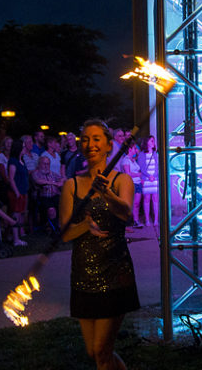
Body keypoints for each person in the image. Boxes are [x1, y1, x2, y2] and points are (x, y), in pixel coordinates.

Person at [59, 119, 139, 370]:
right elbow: (64, 234)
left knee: (102, 351)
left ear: (108, 145)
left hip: (115, 274)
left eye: (96, 139)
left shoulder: (121, 180)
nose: (90, 144)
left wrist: (106, 194)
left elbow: (125, 213)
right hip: (83, 276)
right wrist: (85, 226)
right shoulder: (71, 184)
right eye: (85, 139)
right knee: (94, 352)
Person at [32, 156, 64, 232]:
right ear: (39, 164)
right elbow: (38, 181)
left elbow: (62, 178)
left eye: (48, 164)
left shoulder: (52, 173)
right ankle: (55, 229)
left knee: (65, 205)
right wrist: (53, 183)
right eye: (44, 164)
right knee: (51, 209)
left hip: (55, 196)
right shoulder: (36, 173)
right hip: (44, 197)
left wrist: (60, 182)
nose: (46, 166)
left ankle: (61, 226)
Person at [7, 140, 28, 243]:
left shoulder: (21, 161)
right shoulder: (13, 161)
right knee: (16, 214)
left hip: (23, 191)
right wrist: (16, 192)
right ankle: (16, 239)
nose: (24, 149)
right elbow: (11, 178)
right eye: (23, 147)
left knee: (20, 214)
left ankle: (17, 235)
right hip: (16, 192)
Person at [138, 136, 159, 226]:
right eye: (151, 141)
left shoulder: (156, 153)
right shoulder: (141, 154)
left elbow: (159, 166)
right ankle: (147, 219)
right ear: (147, 142)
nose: (153, 142)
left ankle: (156, 220)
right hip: (146, 179)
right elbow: (141, 167)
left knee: (155, 199)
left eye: (153, 141)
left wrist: (154, 176)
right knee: (146, 199)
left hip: (155, 179)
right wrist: (148, 176)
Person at [122, 143, 143, 228]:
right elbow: (128, 173)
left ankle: (136, 220)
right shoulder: (126, 160)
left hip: (137, 183)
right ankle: (129, 221)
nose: (136, 150)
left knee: (137, 203)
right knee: (132, 203)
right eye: (134, 148)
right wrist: (138, 174)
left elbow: (138, 155)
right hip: (131, 183)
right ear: (130, 149)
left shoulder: (132, 159)